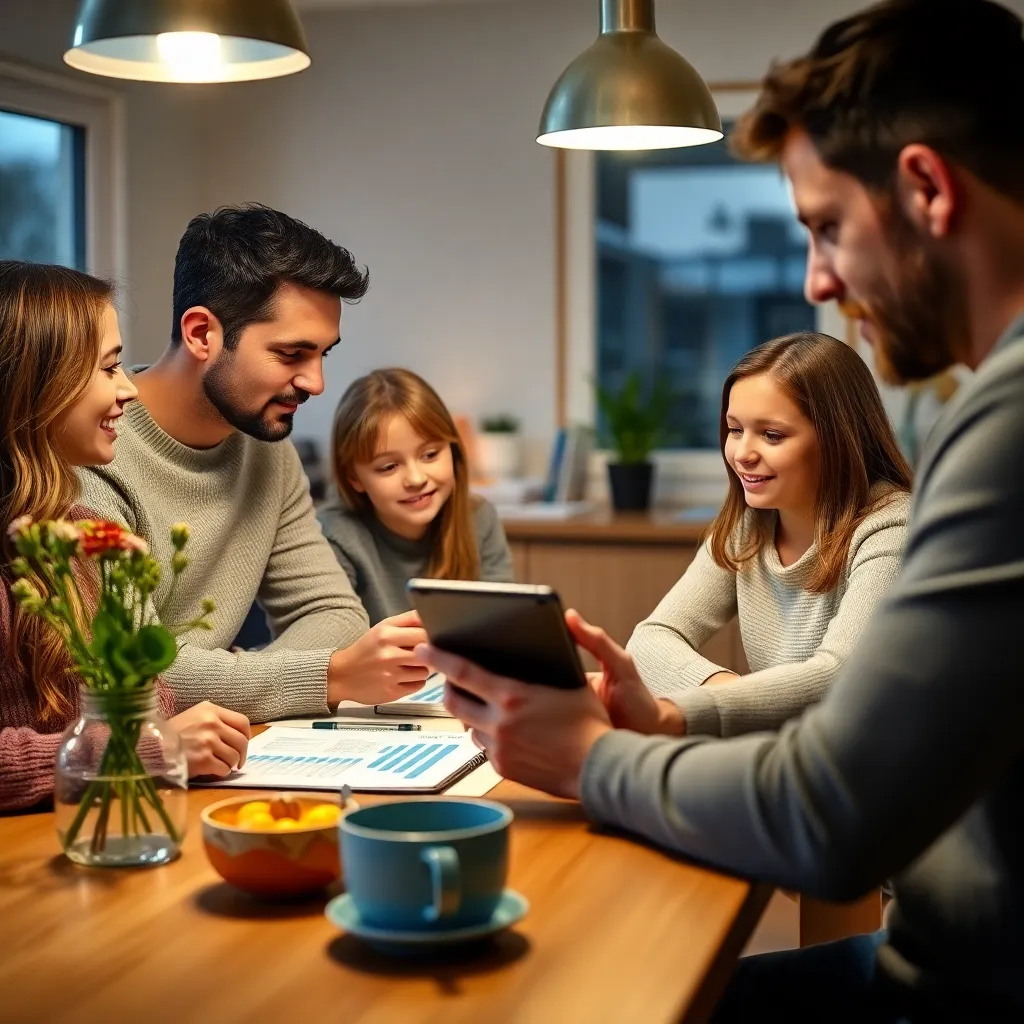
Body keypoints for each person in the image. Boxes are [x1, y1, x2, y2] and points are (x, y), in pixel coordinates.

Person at [420, 0, 1024, 1018]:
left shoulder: (1000, 424)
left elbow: (830, 812)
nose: (816, 278)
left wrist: (593, 757)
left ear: (924, 187)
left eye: (826, 228)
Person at [79, 205, 430, 724]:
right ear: (201, 334)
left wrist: (240, 679)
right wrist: (325, 677)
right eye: (292, 355)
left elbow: (334, 614)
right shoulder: (90, 452)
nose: (316, 384)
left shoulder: (270, 453)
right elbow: (125, 668)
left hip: (222, 750)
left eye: (323, 355)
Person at [0, 261, 250, 812]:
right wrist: (147, 746)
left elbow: (149, 699)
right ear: (38, 384)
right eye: (109, 368)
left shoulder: (82, 532)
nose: (129, 389)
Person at [627, 332, 911, 737]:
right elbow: (650, 640)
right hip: (789, 758)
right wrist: (732, 694)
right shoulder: (747, 528)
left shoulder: (892, 526)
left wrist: (706, 708)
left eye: (772, 435)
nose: (742, 453)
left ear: (838, 439)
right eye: (735, 429)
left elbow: (840, 676)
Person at [318, 368, 514, 625]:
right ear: (354, 478)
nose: (416, 479)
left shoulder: (479, 517)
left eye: (430, 455)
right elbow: (332, 648)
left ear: (452, 451)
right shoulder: (333, 537)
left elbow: (502, 625)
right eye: (389, 467)